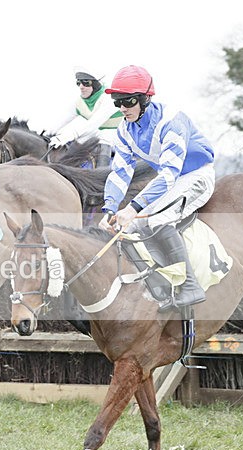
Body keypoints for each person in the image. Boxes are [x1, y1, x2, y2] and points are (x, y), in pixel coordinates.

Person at [97, 65, 215, 311]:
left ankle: (191, 285)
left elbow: (169, 175)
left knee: (158, 220)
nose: (122, 108)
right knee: (132, 225)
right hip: (171, 179)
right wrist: (109, 208)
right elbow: (120, 172)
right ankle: (161, 281)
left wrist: (132, 207)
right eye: (117, 102)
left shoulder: (171, 121)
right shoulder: (123, 130)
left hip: (196, 175)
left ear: (144, 99)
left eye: (128, 101)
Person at [48, 69, 123, 167]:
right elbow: (62, 120)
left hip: (117, 135)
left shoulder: (109, 98)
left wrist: (66, 136)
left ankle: (101, 176)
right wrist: (47, 133)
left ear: (96, 85)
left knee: (104, 138)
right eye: (78, 83)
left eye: (86, 83)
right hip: (96, 132)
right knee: (76, 143)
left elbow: (94, 123)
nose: (81, 87)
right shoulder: (80, 102)